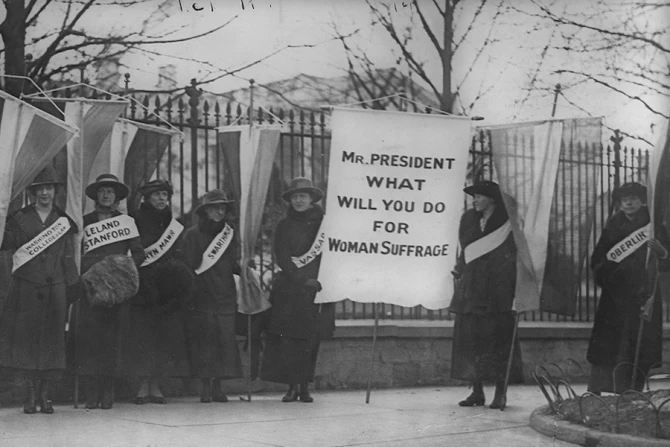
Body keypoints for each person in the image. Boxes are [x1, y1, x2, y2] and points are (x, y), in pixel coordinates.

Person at [0, 166, 79, 414]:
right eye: (40, 189)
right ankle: (29, 394)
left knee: (51, 344)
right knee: (27, 343)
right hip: (26, 285)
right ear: (33, 192)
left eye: (49, 188)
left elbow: (68, 256)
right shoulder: (18, 219)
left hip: (55, 287)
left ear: (55, 191)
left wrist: (72, 284)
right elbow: (6, 244)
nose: (45, 193)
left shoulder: (64, 221)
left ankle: (45, 396)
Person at [587, 182, 669, 394]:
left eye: (633, 198)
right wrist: (607, 274)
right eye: (624, 200)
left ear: (643, 201)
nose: (629, 203)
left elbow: (666, 261)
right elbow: (598, 258)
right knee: (608, 344)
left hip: (644, 293)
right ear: (619, 204)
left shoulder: (655, 226)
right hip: (614, 295)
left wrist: (663, 253)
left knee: (637, 345)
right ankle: (598, 390)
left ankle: (632, 391)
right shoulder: (612, 225)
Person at [449, 180, 523, 409]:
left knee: (498, 342)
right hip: (471, 290)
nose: (475, 200)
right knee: (471, 342)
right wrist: (460, 270)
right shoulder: (469, 220)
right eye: (474, 197)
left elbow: (516, 256)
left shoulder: (508, 223)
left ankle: (500, 393)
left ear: (492, 199)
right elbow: (465, 250)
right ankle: (477, 392)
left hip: (498, 291)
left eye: (479, 196)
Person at [72, 174, 145, 409]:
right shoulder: (84, 221)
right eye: (102, 191)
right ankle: (91, 391)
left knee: (113, 340)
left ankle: (108, 389)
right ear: (96, 195)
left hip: (116, 291)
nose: (106, 195)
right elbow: (76, 253)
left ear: (116, 197)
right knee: (91, 339)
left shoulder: (127, 222)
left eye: (110, 192)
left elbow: (139, 254)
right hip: (91, 287)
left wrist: (120, 272)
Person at [260, 177, 335, 403]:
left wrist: (320, 280)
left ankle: (305, 386)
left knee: (310, 340)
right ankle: (292, 387)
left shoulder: (325, 224)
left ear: (312, 198)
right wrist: (301, 279)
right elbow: (281, 255)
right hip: (291, 289)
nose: (299, 200)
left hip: (317, 289)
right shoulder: (284, 224)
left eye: (303, 196)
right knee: (290, 340)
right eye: (295, 196)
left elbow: (331, 254)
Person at [117, 179, 192, 404]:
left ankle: (156, 385)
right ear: (147, 197)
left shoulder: (173, 224)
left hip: (166, 289)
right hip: (142, 286)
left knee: (163, 339)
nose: (162, 199)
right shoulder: (135, 220)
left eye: (165, 195)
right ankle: (141, 386)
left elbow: (179, 253)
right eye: (158, 195)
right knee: (142, 338)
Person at [182, 189, 243, 403]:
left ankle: (218, 386)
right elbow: (189, 267)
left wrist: (245, 271)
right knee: (205, 344)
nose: (219, 211)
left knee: (224, 343)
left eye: (222, 208)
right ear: (205, 210)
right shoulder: (192, 234)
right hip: (202, 295)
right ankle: (205, 387)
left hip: (224, 293)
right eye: (214, 207)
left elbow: (234, 262)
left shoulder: (230, 233)